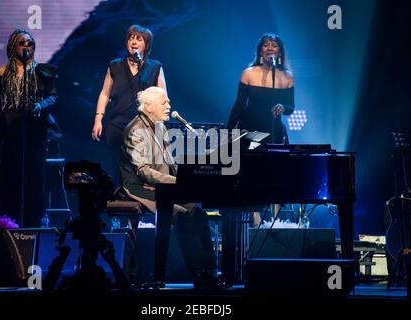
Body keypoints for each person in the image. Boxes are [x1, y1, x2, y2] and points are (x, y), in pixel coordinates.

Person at [120, 86, 219, 289]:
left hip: (163, 185)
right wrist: (177, 182)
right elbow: (143, 171)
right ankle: (197, 275)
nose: (169, 106)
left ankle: (209, 271)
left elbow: (169, 163)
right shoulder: (136, 129)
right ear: (148, 106)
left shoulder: (160, 126)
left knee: (198, 213)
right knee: (182, 214)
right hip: (139, 187)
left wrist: (186, 179)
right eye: (164, 102)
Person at [0, 29, 58, 227]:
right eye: (22, 42)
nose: (26, 46)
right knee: (11, 176)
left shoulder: (42, 72)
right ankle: (9, 223)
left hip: (35, 130)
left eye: (30, 43)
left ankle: (33, 222)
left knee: (34, 176)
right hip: (10, 129)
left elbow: (53, 97)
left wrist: (40, 105)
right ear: (13, 46)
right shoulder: (2, 72)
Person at [227, 33, 295, 223]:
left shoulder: (287, 77)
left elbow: (291, 108)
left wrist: (283, 107)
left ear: (280, 51)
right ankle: (255, 219)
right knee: (251, 172)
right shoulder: (248, 73)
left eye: (274, 45)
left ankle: (275, 219)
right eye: (266, 45)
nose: (270, 48)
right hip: (251, 130)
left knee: (275, 172)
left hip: (274, 130)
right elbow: (239, 105)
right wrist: (228, 131)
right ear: (260, 51)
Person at [91, 25, 166, 186]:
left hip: (144, 128)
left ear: (146, 45)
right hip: (117, 125)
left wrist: (148, 98)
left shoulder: (155, 67)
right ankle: (120, 204)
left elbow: (163, 97)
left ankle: (142, 203)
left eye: (138, 39)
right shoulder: (115, 65)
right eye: (130, 38)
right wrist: (98, 119)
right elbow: (104, 94)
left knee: (142, 169)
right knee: (118, 167)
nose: (133, 41)